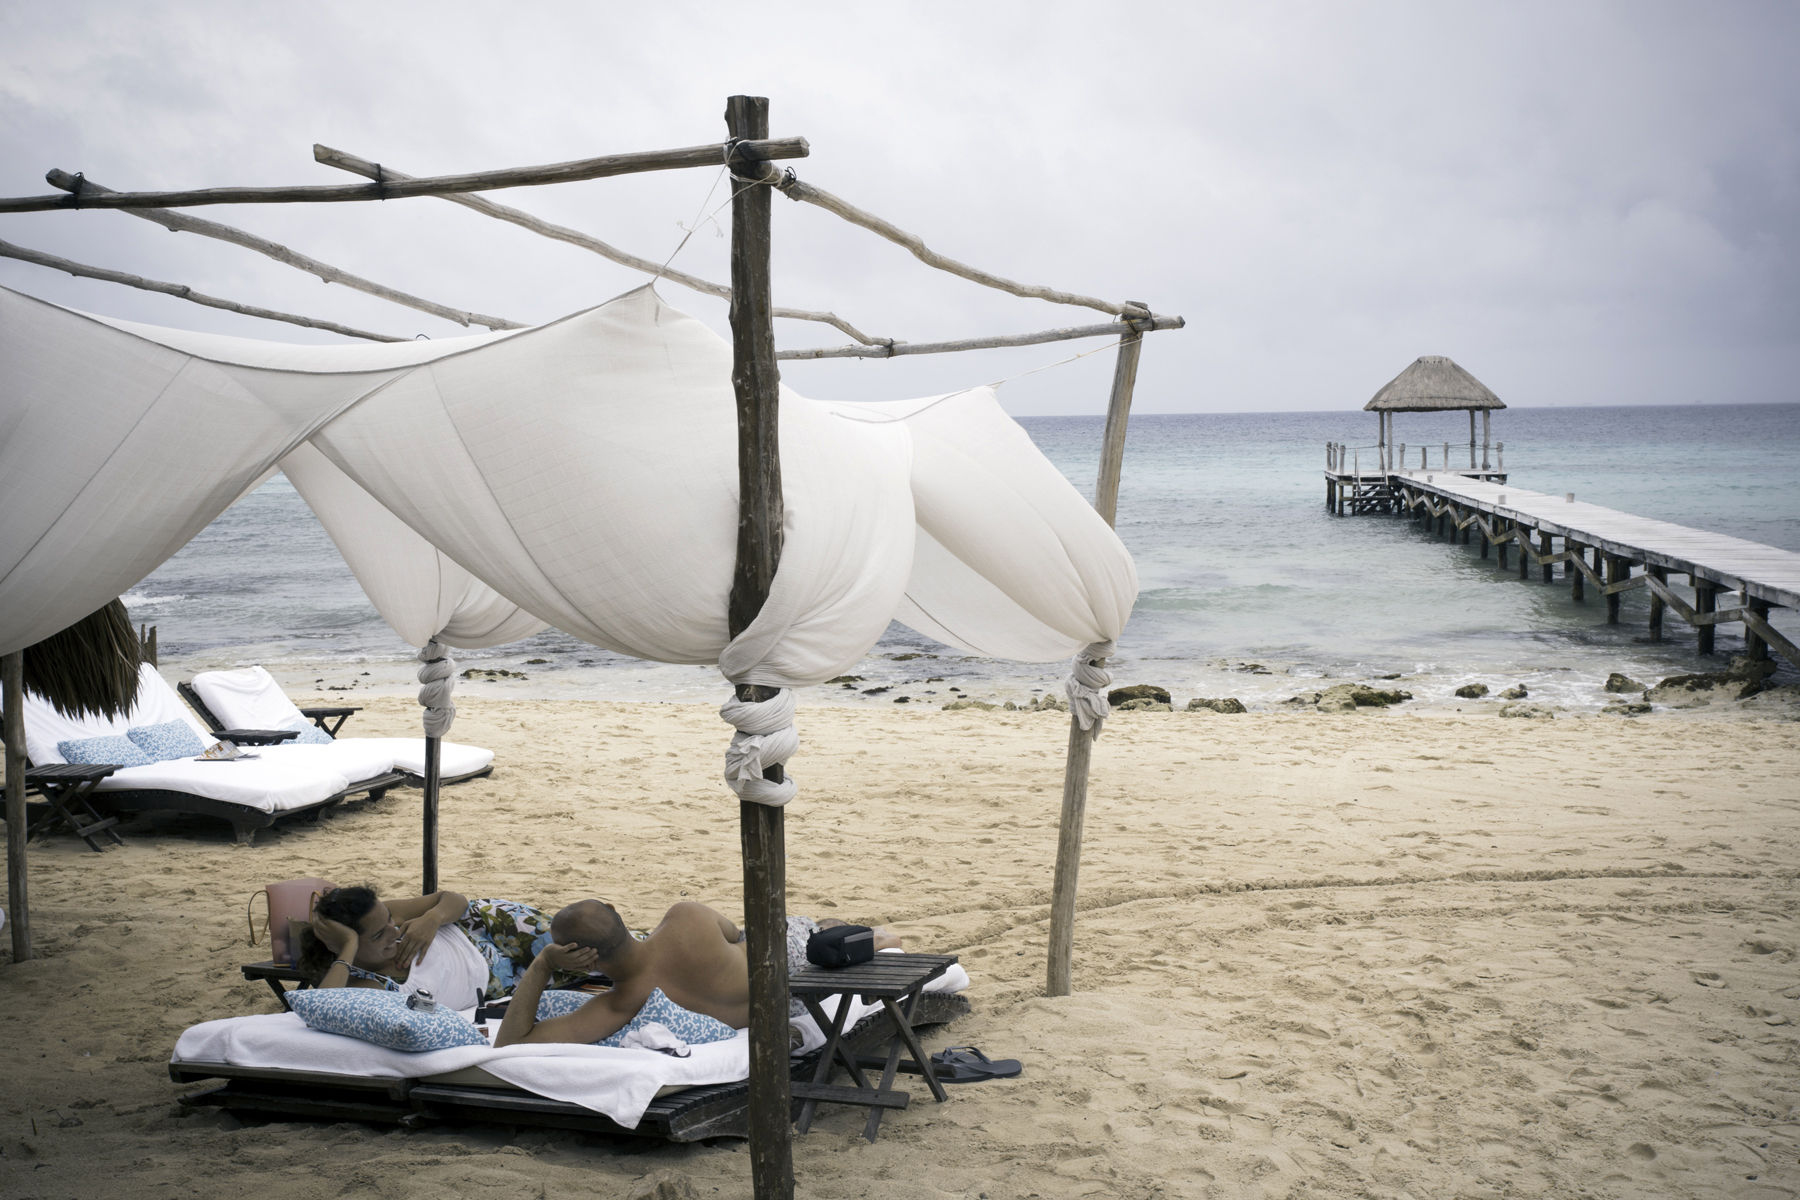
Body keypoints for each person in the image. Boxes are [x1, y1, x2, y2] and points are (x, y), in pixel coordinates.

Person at [493, 899, 900, 1047]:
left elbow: (511, 1040)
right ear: (618, 913)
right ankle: (874, 937)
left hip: (789, 1005)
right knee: (817, 928)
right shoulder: (685, 917)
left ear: (585, 959)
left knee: (819, 929)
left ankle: (866, 936)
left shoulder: (623, 1004)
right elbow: (737, 933)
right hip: (791, 959)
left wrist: (544, 964)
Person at [298, 885, 582, 1010]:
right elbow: (325, 1007)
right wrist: (347, 945)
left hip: (489, 926)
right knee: (582, 965)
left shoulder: (388, 917)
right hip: (500, 985)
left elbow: (455, 899)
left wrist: (432, 918)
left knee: (587, 944)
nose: (393, 931)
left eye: (389, 922)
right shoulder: (361, 984)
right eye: (377, 936)